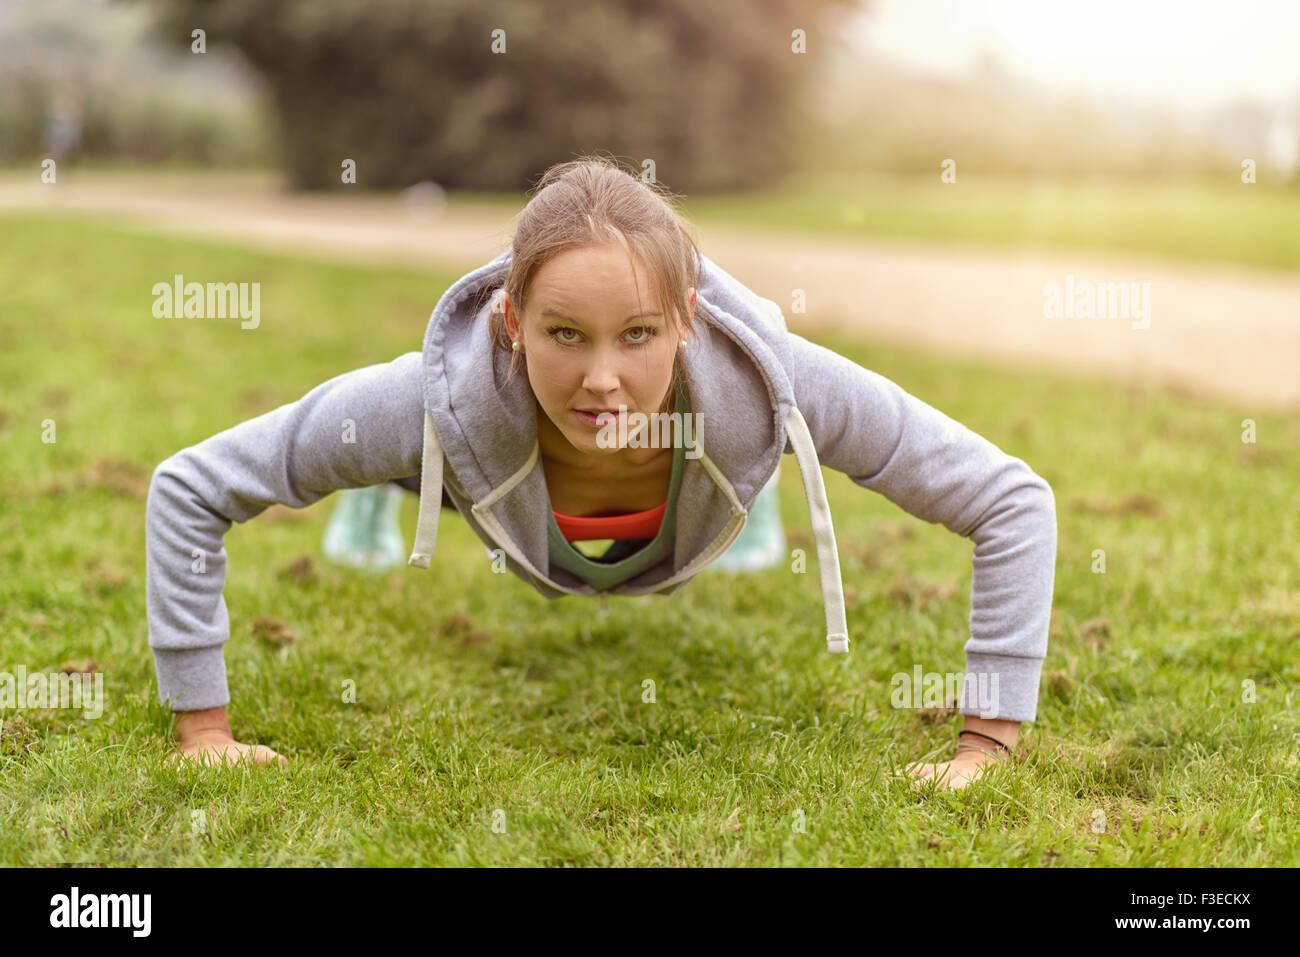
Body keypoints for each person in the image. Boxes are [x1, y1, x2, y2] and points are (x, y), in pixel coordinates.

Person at [146, 156, 1057, 791]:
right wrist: (203, 730)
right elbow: (189, 486)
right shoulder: (432, 401)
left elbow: (1012, 500)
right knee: (404, 452)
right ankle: (379, 504)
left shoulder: (774, 384)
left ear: (686, 320)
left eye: (638, 334)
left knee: (753, 432)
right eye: (564, 334)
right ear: (512, 322)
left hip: (705, 465)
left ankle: (752, 490)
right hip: (490, 485)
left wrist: (986, 741)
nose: (602, 377)